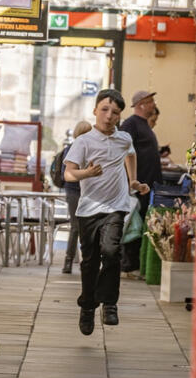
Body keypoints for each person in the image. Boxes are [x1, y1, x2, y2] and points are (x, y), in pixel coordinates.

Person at [64, 89, 149, 335]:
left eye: (115, 112)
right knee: (90, 262)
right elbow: (69, 173)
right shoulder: (83, 142)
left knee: (112, 252)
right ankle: (88, 307)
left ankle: (110, 304)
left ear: (120, 116)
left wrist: (133, 181)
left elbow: (131, 155)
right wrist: (86, 174)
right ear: (95, 111)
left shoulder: (123, 139)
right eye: (104, 110)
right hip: (88, 209)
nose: (109, 116)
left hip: (116, 206)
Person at [119, 90, 164, 275]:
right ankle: (128, 265)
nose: (153, 104)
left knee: (140, 224)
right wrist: (131, 181)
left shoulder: (144, 125)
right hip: (137, 187)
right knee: (132, 226)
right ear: (141, 104)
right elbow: (122, 151)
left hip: (147, 186)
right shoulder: (130, 125)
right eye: (150, 101)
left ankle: (134, 264)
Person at [61, 120, 92, 274]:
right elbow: (65, 174)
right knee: (76, 226)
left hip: (86, 191)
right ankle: (68, 261)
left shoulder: (92, 149)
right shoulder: (72, 149)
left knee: (84, 227)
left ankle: (84, 261)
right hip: (74, 191)